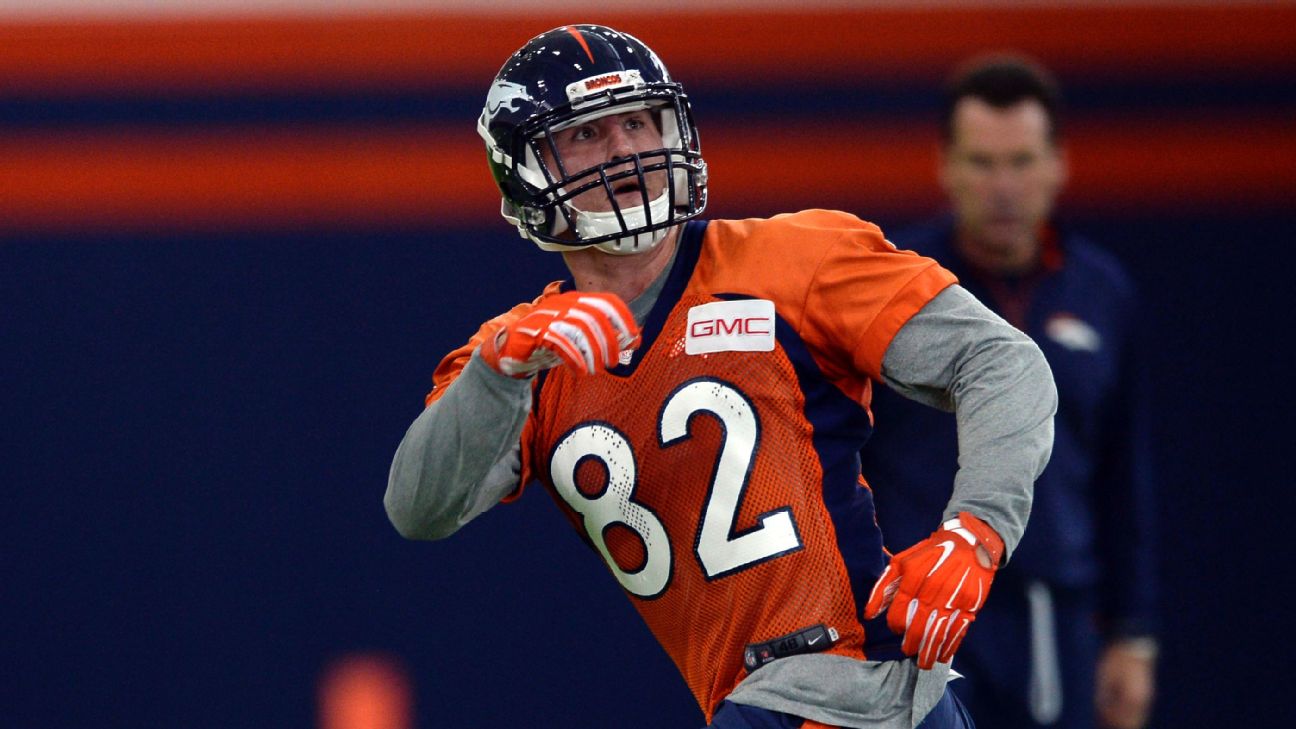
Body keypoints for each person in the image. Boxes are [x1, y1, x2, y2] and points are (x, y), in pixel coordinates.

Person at [386, 25, 1056, 729]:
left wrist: (976, 531)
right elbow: (418, 506)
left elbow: (1002, 361)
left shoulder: (794, 259)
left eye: (639, 123)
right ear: (523, 169)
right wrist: (499, 371)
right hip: (758, 703)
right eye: (587, 134)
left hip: (860, 688)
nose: (625, 150)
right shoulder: (523, 355)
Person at [859, 55, 1157, 729]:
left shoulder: (1103, 294)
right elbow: (844, 460)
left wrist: (1132, 633)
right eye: (982, 162)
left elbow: (1121, 477)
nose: (1003, 187)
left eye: (1021, 161)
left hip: (1055, 615)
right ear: (946, 165)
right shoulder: (894, 290)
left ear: (1058, 164)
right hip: (918, 614)